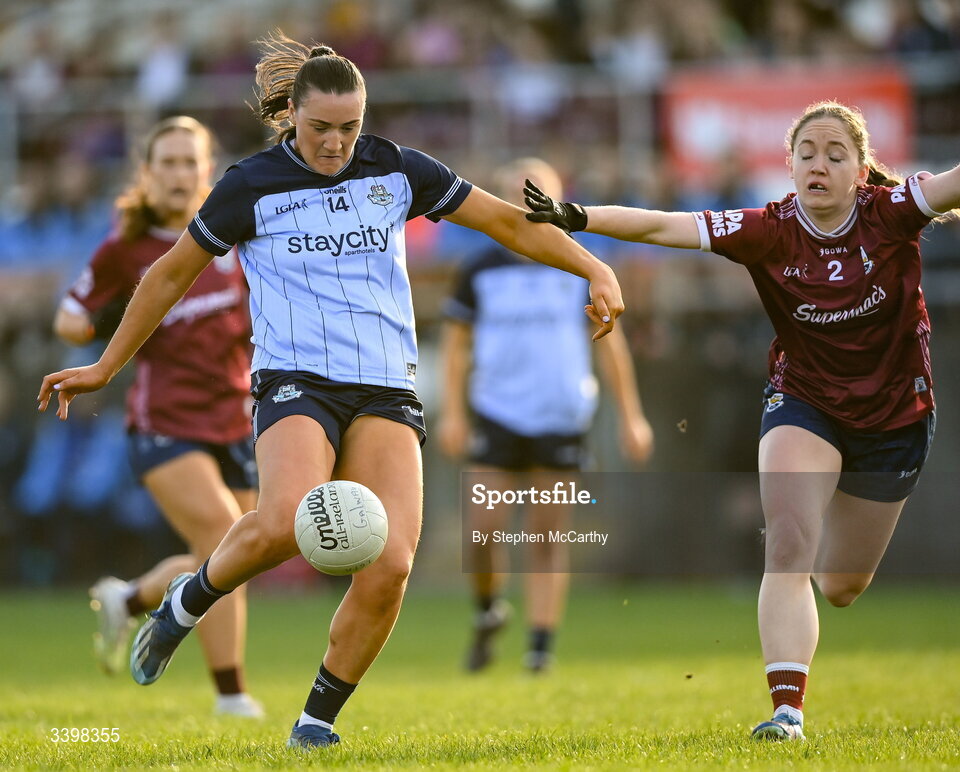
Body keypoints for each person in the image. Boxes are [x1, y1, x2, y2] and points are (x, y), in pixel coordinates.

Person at [37, 34, 623, 750]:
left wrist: (592, 266)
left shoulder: (397, 170)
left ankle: (315, 722)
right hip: (296, 381)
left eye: (350, 127)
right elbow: (166, 275)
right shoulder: (250, 184)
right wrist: (104, 365)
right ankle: (186, 603)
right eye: (320, 128)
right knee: (284, 520)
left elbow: (504, 220)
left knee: (393, 566)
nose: (337, 142)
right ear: (291, 115)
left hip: (385, 389)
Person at [521, 103, 960, 740]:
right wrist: (580, 217)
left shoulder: (892, 210)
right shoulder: (768, 229)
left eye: (835, 154)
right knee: (787, 547)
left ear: (861, 169)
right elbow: (666, 226)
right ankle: (787, 713)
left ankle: (812, 582)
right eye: (807, 153)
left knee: (840, 583)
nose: (819, 165)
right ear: (790, 165)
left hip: (895, 414)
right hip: (804, 401)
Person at [53, 116, 262, 718]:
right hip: (163, 422)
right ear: (145, 175)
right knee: (225, 539)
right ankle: (231, 698)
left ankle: (131, 597)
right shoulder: (126, 251)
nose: (178, 173)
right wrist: (99, 320)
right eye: (166, 162)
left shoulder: (233, 236)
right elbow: (70, 316)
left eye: (188, 162)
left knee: (229, 555)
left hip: (234, 415)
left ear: (206, 171)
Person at [437, 158, 653, 674]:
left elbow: (610, 347)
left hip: (561, 413)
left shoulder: (582, 264)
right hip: (496, 412)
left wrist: (631, 416)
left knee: (546, 537)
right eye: (516, 191)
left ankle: (539, 648)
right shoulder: (479, 268)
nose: (526, 201)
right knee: (483, 532)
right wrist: (454, 413)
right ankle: (489, 609)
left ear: (558, 199)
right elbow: (456, 344)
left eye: (538, 192)